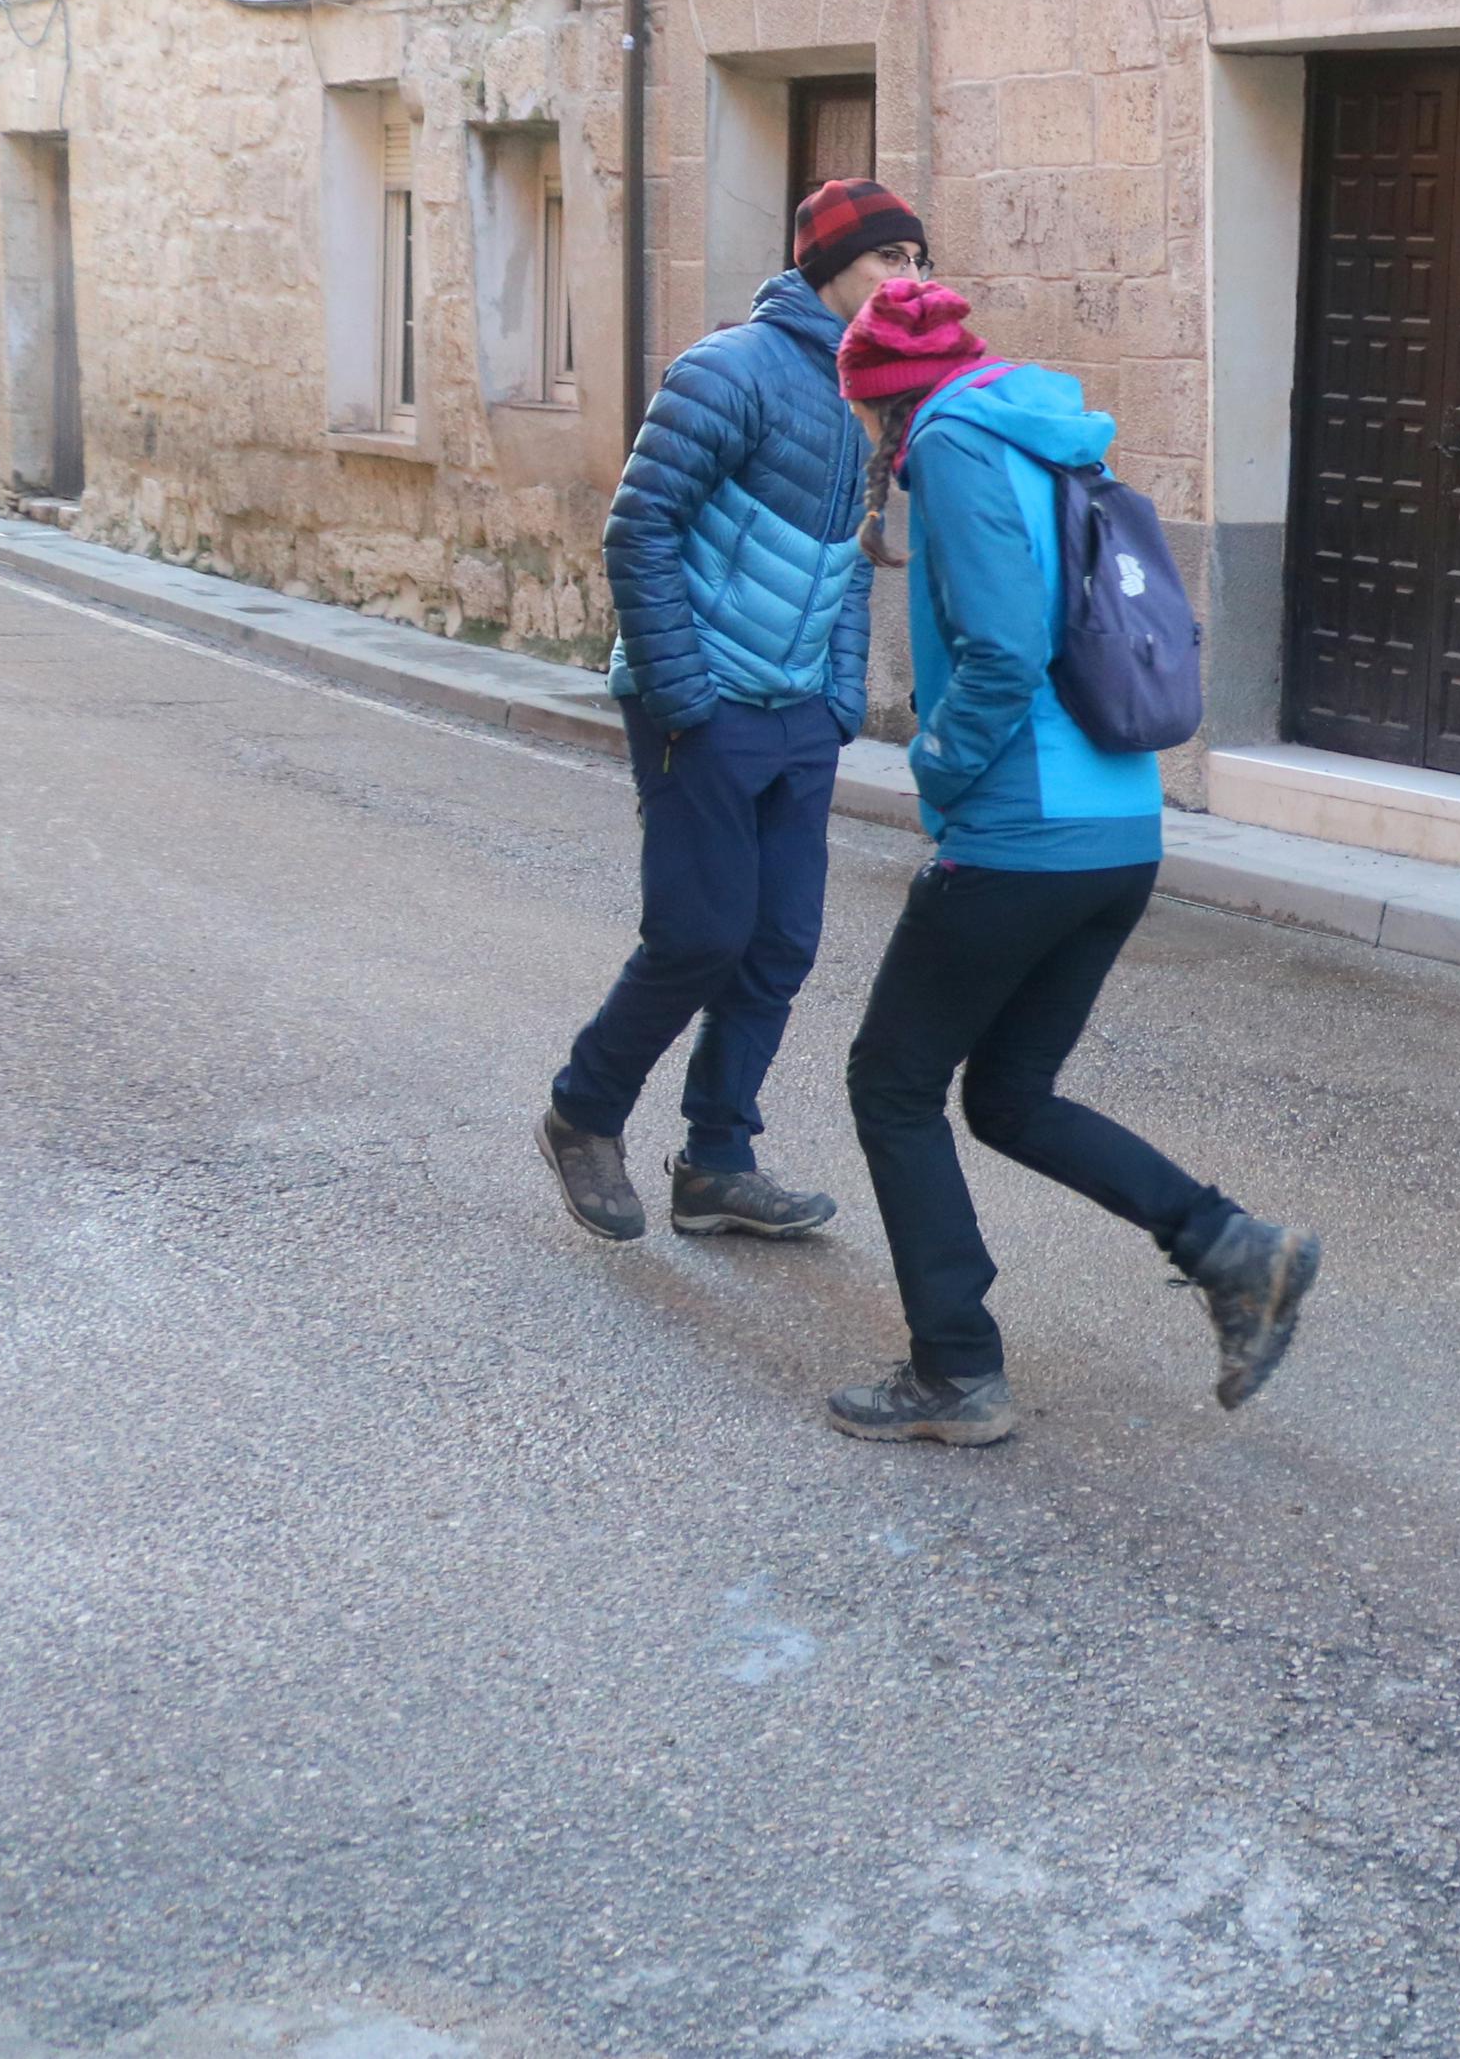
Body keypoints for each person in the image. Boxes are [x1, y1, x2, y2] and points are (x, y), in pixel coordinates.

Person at [819, 279, 1317, 1445]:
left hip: (1019, 832)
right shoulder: (1045, 438)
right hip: (1117, 827)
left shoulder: (946, 440)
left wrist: (936, 774)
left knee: (890, 1085)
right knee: (1004, 1094)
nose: (868, 437)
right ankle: (1230, 1248)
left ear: (884, 398)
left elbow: (1001, 649)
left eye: (861, 415)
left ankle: (955, 1369)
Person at [535, 178, 923, 1243]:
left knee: (778, 944)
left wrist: (840, 694)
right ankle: (583, 1112)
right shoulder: (727, 370)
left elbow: (855, 559)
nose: (909, 278)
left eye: (918, 261)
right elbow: (639, 527)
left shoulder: (871, 397)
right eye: (891, 258)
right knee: (699, 934)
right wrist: (681, 691)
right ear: (828, 266)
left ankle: (715, 1164)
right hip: (700, 705)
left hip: (799, 710)